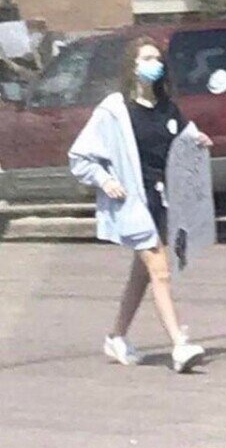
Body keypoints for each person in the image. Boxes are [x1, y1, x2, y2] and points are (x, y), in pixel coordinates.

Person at [69, 36, 212, 373]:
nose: (154, 64)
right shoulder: (114, 110)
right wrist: (105, 180)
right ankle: (179, 344)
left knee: (143, 274)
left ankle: (116, 336)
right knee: (160, 269)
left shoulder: (168, 108)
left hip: (163, 200)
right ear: (132, 66)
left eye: (157, 58)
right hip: (132, 201)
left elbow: (185, 139)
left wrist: (198, 142)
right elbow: (80, 156)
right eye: (146, 58)